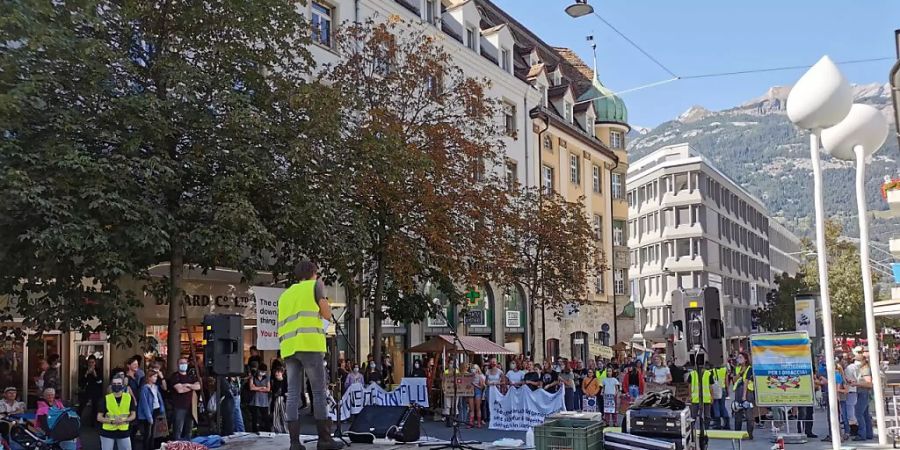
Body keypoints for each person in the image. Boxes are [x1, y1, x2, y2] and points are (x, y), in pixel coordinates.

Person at [278, 260, 344, 450]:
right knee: (318, 392)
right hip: (310, 345)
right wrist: (323, 325)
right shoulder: (316, 286)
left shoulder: (286, 294)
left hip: (289, 348)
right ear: (314, 272)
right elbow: (326, 312)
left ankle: (294, 443)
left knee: (292, 394)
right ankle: (324, 440)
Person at [98, 376, 136, 450]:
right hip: (108, 431)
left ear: (122, 385)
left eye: (119, 383)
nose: (116, 385)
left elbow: (133, 415)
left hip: (123, 430)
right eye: (114, 384)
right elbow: (99, 417)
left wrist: (124, 420)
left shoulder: (129, 398)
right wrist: (112, 421)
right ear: (111, 385)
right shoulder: (106, 398)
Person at [168, 357, 201, 441]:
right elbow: (180, 390)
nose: (183, 365)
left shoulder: (190, 376)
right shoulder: (175, 376)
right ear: (178, 365)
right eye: (181, 363)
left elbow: (199, 386)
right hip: (179, 407)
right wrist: (192, 386)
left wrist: (187, 385)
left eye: (185, 363)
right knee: (178, 430)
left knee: (189, 430)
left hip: (190, 407)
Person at [137, 371, 165, 450]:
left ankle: (152, 447)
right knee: (148, 433)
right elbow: (144, 404)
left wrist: (162, 409)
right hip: (149, 411)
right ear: (149, 377)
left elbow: (159, 398)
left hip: (157, 409)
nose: (155, 378)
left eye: (156, 377)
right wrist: (149, 417)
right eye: (154, 377)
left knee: (154, 433)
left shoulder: (156, 387)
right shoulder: (144, 388)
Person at [732, 352, 755, 439]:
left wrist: (744, 396)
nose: (739, 359)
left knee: (749, 414)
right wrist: (740, 373)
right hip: (738, 391)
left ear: (745, 359)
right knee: (737, 412)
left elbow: (746, 382)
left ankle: (750, 434)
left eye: (741, 357)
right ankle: (737, 434)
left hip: (747, 392)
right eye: (738, 357)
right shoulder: (737, 368)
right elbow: (734, 380)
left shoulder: (749, 368)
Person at [853, 353, 874, 441]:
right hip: (863, 393)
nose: (856, 362)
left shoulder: (865, 370)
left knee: (858, 413)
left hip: (863, 393)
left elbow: (869, 383)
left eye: (858, 360)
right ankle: (868, 433)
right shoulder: (861, 369)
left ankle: (862, 434)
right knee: (865, 414)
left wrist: (856, 384)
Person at [249, 363, 271, 433]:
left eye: (264, 372)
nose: (263, 373)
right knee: (254, 418)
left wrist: (256, 388)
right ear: (258, 370)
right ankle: (254, 431)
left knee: (265, 417)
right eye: (261, 371)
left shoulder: (266, 378)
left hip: (264, 400)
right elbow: (251, 388)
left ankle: (268, 431)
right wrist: (262, 388)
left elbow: (268, 389)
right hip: (255, 400)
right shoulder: (253, 377)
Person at [483, 358, 503, 422]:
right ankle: (491, 417)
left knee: (497, 403)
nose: (493, 363)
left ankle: (498, 416)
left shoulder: (500, 372)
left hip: (497, 389)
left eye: (494, 362)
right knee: (490, 403)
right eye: (492, 362)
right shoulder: (488, 371)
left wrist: (497, 383)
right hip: (489, 389)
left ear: (496, 363)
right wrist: (489, 383)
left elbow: (504, 382)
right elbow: (485, 382)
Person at [271, 366, 288, 433]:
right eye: (276, 372)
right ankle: (277, 429)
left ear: (282, 373)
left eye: (278, 372)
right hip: (276, 399)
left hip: (283, 399)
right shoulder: (274, 381)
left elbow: (287, 391)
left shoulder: (286, 380)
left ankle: (286, 429)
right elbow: (273, 392)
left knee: (284, 415)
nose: (276, 374)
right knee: (276, 415)